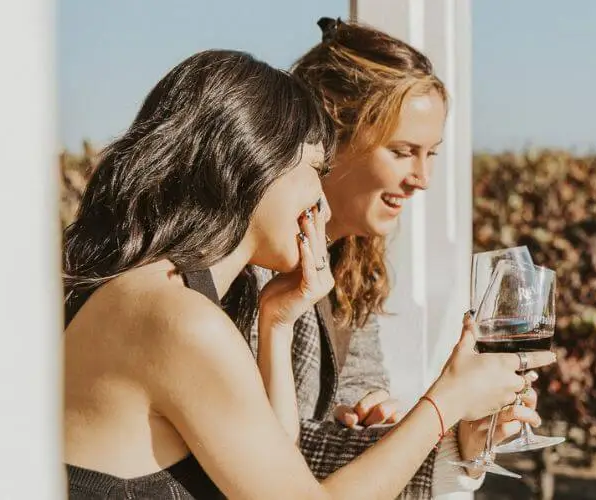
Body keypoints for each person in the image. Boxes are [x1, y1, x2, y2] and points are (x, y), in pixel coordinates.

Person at [61, 49, 554, 500]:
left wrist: (276, 322)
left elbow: (277, 458)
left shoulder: (163, 292)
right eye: (316, 170)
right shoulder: (181, 319)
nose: (320, 199)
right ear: (255, 165)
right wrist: (447, 400)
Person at [220, 18, 545, 499]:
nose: (422, 178)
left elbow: (352, 386)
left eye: (431, 153)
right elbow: (266, 457)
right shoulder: (244, 268)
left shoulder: (354, 253)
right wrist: (440, 415)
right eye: (402, 151)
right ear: (331, 140)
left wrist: (369, 411)